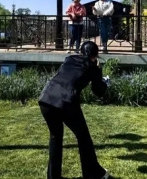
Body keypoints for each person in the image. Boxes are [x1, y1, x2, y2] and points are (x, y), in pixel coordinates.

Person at [38, 41, 111, 179]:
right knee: (83, 138)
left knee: (55, 138)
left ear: (81, 52)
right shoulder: (92, 66)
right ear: (95, 55)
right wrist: (103, 81)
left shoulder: (69, 59)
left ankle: (53, 177)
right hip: (66, 101)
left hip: (46, 98)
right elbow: (98, 91)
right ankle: (93, 174)